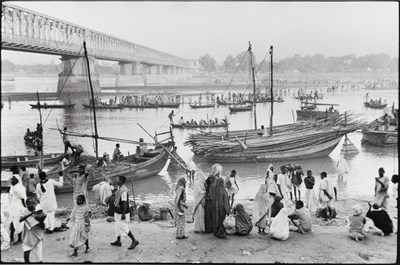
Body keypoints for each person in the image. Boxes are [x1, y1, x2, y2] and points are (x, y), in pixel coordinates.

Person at [110, 176, 139, 250]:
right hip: (117, 210)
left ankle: (134, 240)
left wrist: (123, 213)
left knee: (123, 227)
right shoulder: (119, 188)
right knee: (117, 226)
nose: (117, 180)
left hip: (122, 211)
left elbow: (125, 202)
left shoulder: (124, 191)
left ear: (122, 181)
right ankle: (118, 241)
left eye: (118, 180)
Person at [19, 197, 48, 263]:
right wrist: (31, 214)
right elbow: (20, 220)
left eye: (31, 204)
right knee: (26, 254)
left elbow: (44, 227)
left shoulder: (40, 212)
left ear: (35, 204)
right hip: (28, 236)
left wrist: (40, 221)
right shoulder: (25, 211)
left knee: (39, 258)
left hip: (37, 236)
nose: (29, 205)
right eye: (27, 204)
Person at [8, 174, 26, 245]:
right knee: (12, 222)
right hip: (13, 207)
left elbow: (22, 198)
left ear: (17, 181)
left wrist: (24, 208)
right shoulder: (13, 187)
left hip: (18, 208)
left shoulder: (18, 188)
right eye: (12, 179)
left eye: (13, 179)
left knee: (18, 223)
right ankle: (11, 236)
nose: (11, 181)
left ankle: (19, 239)